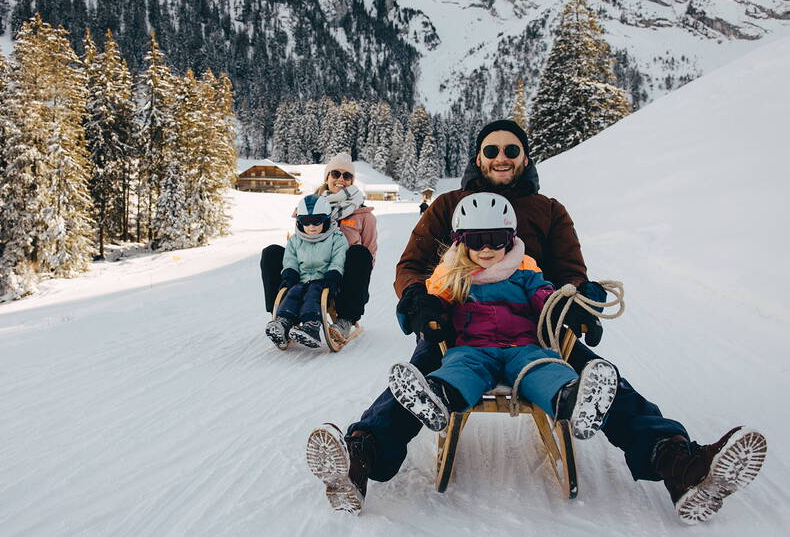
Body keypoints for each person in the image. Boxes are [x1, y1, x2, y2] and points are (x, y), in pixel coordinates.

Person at [305, 120, 766, 523]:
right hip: (455, 321)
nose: (502, 157)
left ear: (525, 157)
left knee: (594, 376)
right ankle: (360, 456)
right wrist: (419, 301)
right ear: (479, 157)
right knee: (427, 369)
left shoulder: (549, 209)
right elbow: (411, 265)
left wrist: (579, 300)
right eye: (492, 149)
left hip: (537, 326)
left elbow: (570, 271)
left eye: (511, 149)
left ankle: (678, 463)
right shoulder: (448, 205)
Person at [387, 192, 618, 442]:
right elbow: (430, 302)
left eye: (496, 239)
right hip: (474, 348)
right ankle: (438, 398)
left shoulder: (525, 270)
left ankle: (572, 402)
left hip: (524, 346)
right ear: (461, 241)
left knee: (544, 368)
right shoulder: (452, 276)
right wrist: (422, 311)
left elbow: (546, 298)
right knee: (460, 369)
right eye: (476, 240)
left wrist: (569, 305)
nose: (486, 248)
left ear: (510, 240)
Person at [261, 153, 377, 344]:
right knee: (271, 253)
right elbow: (298, 242)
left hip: (341, 276)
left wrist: (341, 274)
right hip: (308, 268)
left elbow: (370, 255)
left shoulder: (364, 216)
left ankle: (345, 320)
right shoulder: (309, 206)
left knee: (361, 254)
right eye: (336, 174)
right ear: (327, 177)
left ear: (352, 180)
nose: (341, 179)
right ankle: (281, 316)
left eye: (346, 176)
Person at [265, 194, 347, 349]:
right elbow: (290, 260)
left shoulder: (336, 237)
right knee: (292, 293)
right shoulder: (295, 240)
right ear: (299, 221)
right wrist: (289, 275)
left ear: (326, 219)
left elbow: (338, 259)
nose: (311, 226)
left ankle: (312, 326)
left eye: (316, 221)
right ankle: (283, 323)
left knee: (313, 295)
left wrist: (333, 276)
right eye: (306, 222)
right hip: (301, 280)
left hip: (322, 281)